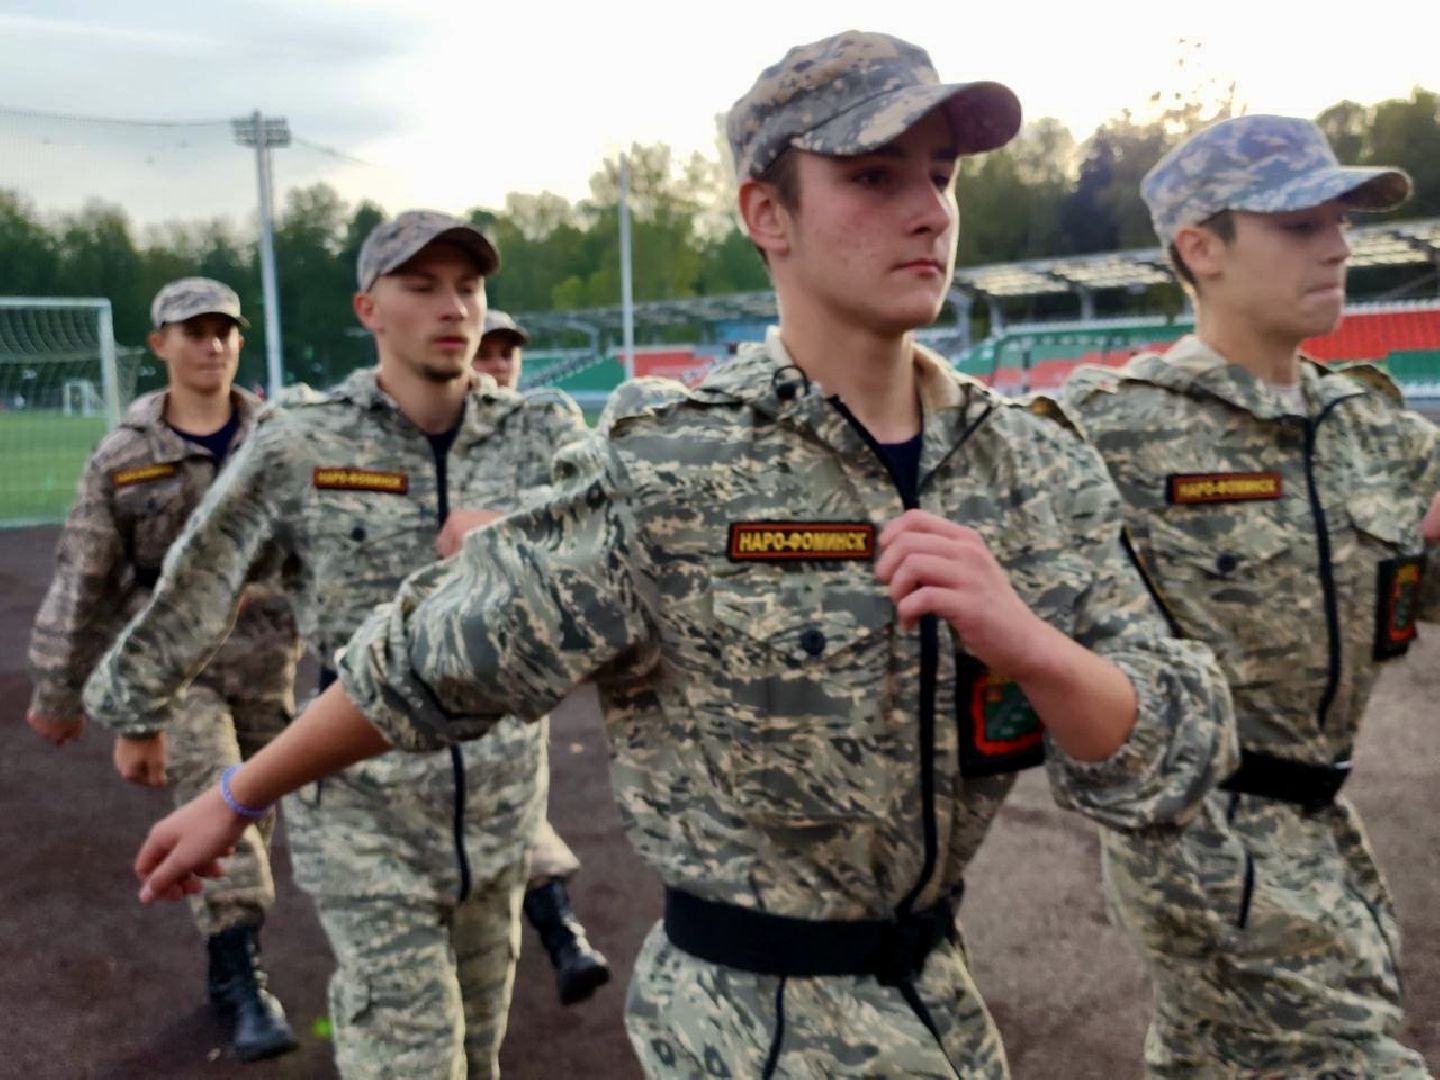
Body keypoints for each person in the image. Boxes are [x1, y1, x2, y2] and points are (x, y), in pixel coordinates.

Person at [128, 32, 1235, 1078]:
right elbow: (425, 661)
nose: (929, 212)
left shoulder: (1026, 468)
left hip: (943, 1008)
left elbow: (1178, 753)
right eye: (873, 176)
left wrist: (1031, 646)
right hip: (745, 1024)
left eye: (942, 174)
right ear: (769, 213)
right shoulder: (671, 470)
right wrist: (237, 791)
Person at [84, 213, 588, 1079]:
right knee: (409, 1060)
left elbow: (625, 549)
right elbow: (200, 578)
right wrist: (136, 709)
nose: (453, 308)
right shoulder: (306, 443)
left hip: (505, 808)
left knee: (478, 1049)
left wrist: (504, 535)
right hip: (362, 811)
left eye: (467, 287)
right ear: (368, 308)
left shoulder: (543, 433)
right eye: (420, 286)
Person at [1062, 114, 1440, 1076]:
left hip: (1325, 827)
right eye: (1302, 224)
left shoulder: (1372, 428)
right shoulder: (1114, 427)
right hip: (1203, 833)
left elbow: (1412, 584)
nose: (1340, 244)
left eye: (1339, 221)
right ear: (1201, 248)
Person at [26, 277, 302, 1062]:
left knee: (250, 807)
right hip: (174, 666)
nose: (211, 343)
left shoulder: (280, 440)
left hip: (268, 660)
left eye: (223, 330)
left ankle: (230, 959)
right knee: (215, 787)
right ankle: (241, 976)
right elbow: (85, 575)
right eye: (193, 331)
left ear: (238, 341)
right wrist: (60, 689)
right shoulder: (125, 454)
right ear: (160, 345)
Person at [461, 306, 611, 1005]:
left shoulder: (544, 432)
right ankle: (559, 934)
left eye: (507, 353)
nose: (497, 366)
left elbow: (587, 519)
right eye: (485, 352)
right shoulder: (435, 442)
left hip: (518, 668)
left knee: (514, 803)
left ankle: (560, 935)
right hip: (439, 668)